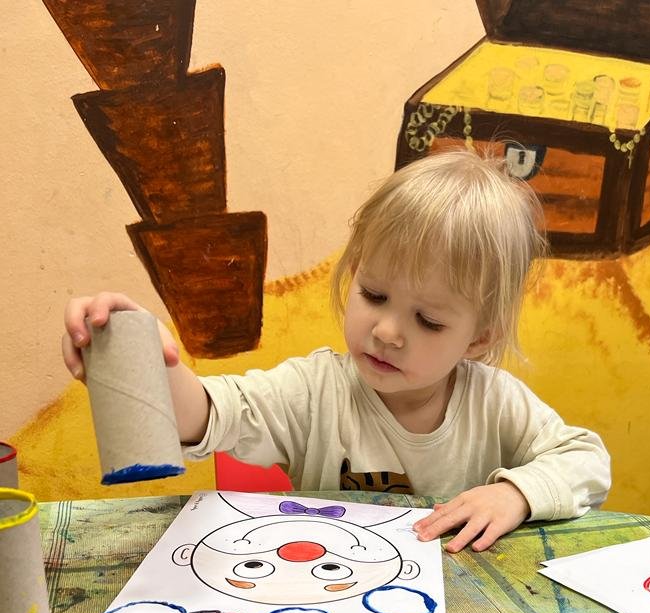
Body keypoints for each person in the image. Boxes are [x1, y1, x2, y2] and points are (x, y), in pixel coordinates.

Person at [62, 147, 610, 554]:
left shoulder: (495, 402)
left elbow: (587, 460)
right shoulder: (314, 391)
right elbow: (212, 414)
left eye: (428, 320)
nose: (388, 331)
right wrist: (152, 365)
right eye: (374, 295)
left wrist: (516, 494)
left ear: (479, 337)